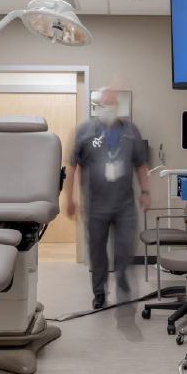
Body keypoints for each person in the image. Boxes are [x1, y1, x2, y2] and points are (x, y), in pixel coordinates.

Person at [66, 88, 151, 309]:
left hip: (124, 204)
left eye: (112, 103)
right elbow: (72, 166)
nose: (108, 107)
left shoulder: (130, 131)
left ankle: (122, 281)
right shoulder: (85, 131)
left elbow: (141, 164)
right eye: (104, 103)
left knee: (124, 248)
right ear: (97, 106)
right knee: (97, 252)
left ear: (118, 106)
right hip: (96, 204)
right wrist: (69, 198)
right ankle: (99, 293)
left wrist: (146, 191)